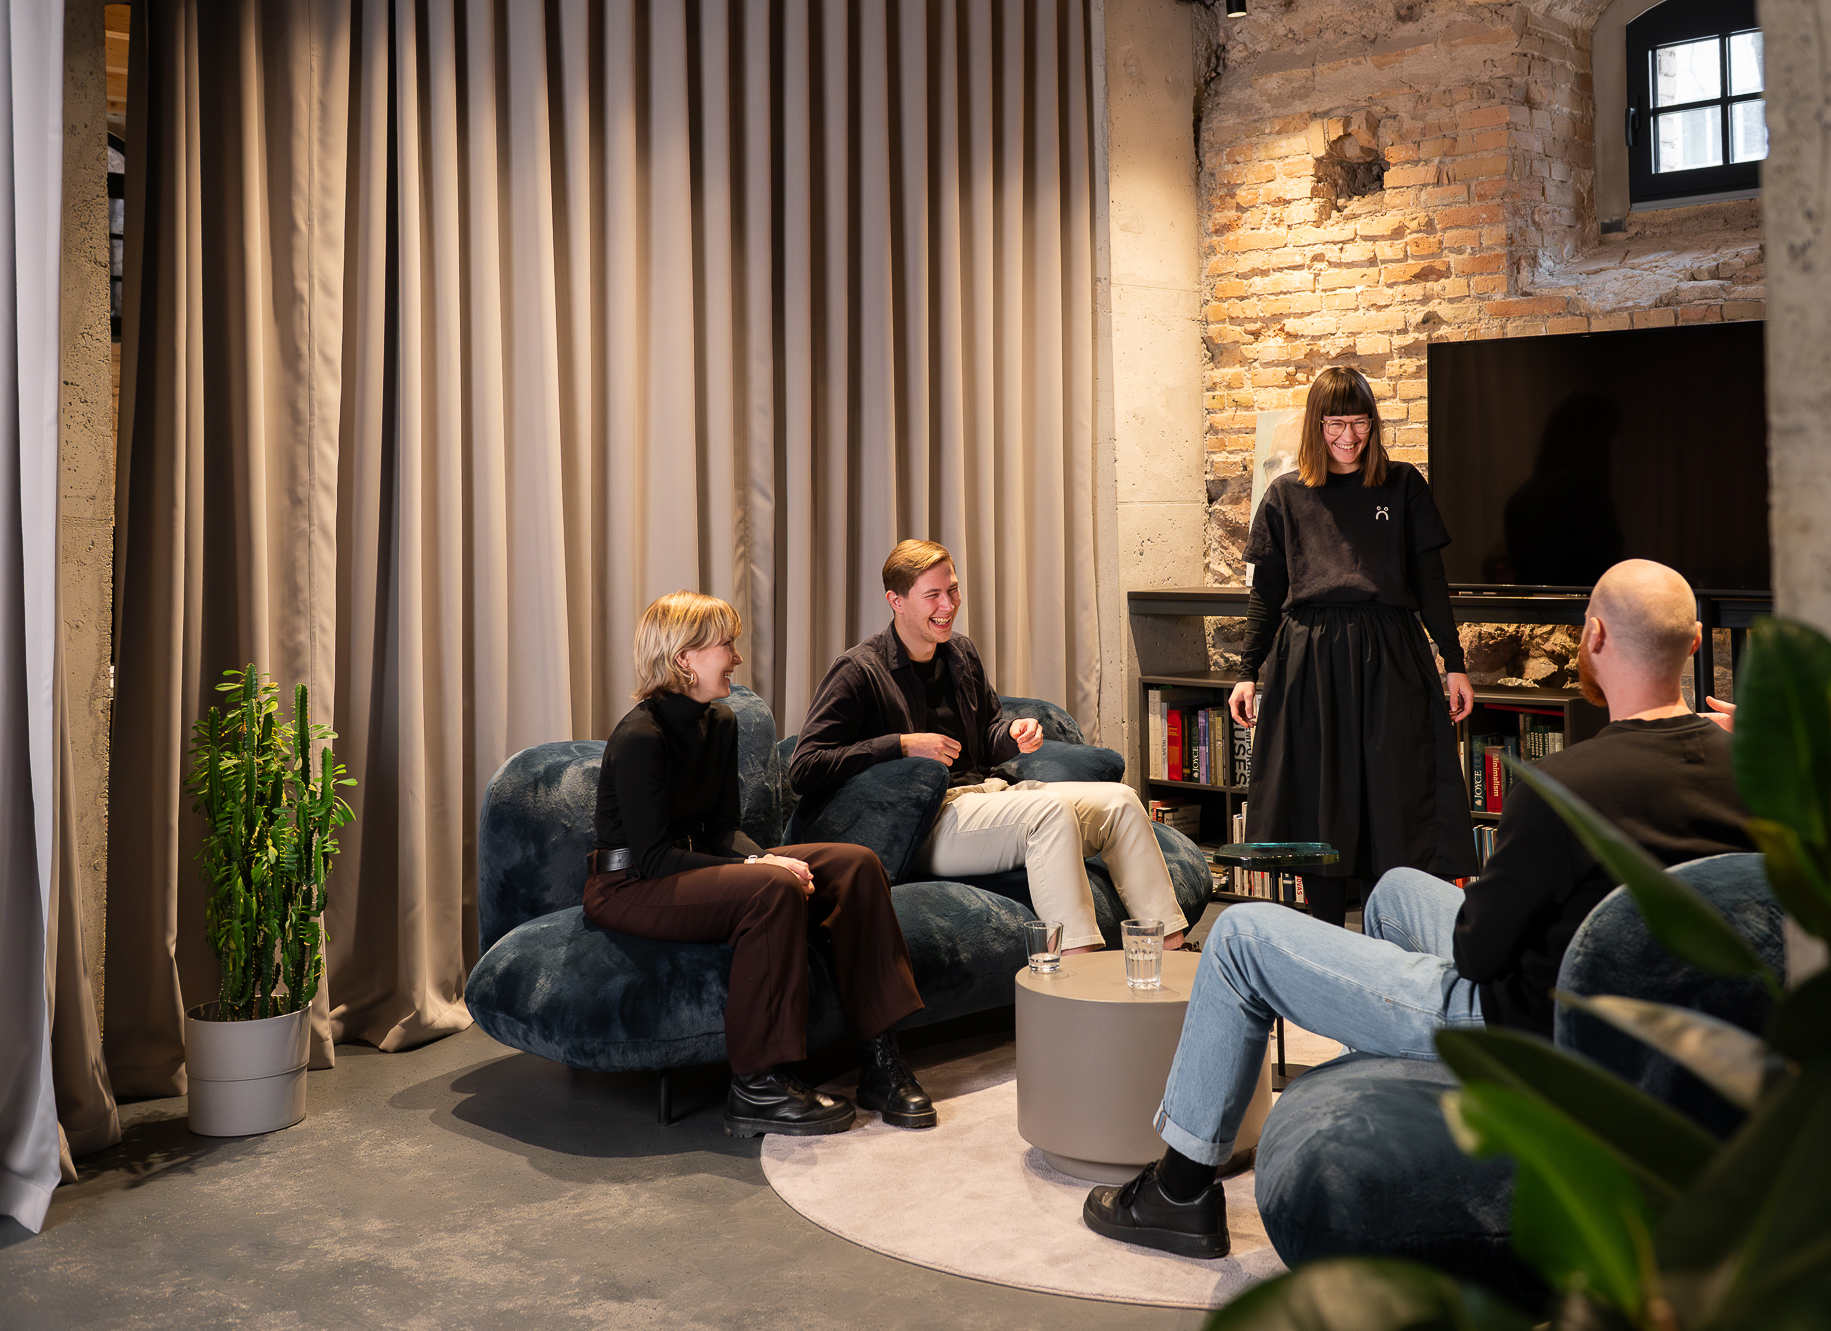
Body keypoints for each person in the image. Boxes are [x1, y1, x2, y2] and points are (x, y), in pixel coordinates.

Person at [1084, 559, 1756, 1259]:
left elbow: (1479, 955)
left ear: (1594, 636)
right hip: (1660, 1026)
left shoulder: (1564, 787)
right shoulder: (1756, 774)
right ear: (1696, 643)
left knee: (1239, 936)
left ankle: (1178, 1193)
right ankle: (1382, 1079)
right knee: (1398, 888)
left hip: (1530, 1030)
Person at [586, 591, 934, 1138]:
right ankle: (758, 1086)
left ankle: (879, 1060)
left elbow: (724, 829)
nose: (737, 657)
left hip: (690, 865)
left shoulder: (720, 722)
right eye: (726, 645)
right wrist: (762, 869)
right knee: (770, 889)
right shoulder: (640, 737)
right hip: (629, 884)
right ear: (683, 658)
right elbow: (652, 857)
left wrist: (764, 857)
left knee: (857, 866)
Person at [789, 540, 1189, 954]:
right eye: (932, 595)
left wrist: (1013, 733)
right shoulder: (859, 670)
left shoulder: (960, 653)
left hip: (986, 798)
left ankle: (1172, 952)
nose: (948, 605)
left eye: (953, 590)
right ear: (897, 601)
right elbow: (805, 767)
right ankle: (1075, 967)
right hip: (921, 821)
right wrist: (901, 746)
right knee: (1049, 811)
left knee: (1122, 801)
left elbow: (986, 736)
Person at [1232, 367, 1477, 921]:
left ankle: (1390, 942)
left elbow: (1431, 583)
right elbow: (1266, 593)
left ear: (1374, 423)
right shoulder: (1285, 495)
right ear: (1316, 426)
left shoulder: (1403, 484)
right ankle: (1325, 945)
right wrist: (1247, 671)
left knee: (1396, 800)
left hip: (1392, 655)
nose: (1348, 436)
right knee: (1319, 802)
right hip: (1310, 661)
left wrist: (1454, 663)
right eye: (1335, 424)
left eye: (1359, 422)